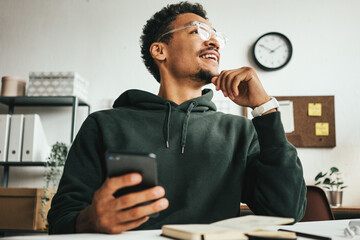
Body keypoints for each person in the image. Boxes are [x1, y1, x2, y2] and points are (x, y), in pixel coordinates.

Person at [47, 1, 306, 234]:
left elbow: (286, 214)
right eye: (197, 31)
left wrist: (264, 109)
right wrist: (88, 220)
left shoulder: (240, 131)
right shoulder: (103, 124)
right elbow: (60, 219)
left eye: (217, 37)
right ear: (160, 50)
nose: (214, 42)